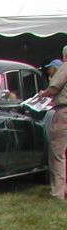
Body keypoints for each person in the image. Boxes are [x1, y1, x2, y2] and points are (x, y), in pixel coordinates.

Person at [41, 44, 67, 200]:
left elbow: (54, 88)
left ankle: (58, 192)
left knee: (57, 153)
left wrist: (42, 94)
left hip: (64, 112)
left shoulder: (65, 67)